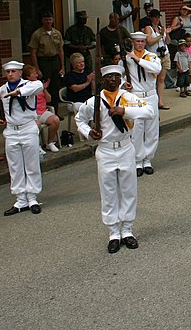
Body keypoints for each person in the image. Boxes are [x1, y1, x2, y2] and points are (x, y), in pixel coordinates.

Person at [75, 65, 155, 253]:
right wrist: (88, 132)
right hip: (105, 150)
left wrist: (124, 111)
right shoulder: (93, 101)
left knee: (128, 190)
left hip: (126, 147)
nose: (113, 80)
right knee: (108, 192)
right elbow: (80, 120)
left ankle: (127, 230)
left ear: (120, 80)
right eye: (109, 77)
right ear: (103, 80)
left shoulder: (128, 98)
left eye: (116, 77)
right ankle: (113, 232)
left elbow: (149, 111)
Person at [0, 60, 44, 216]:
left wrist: (18, 92)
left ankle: (33, 197)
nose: (10, 74)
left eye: (13, 71)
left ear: (20, 73)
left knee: (31, 165)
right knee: (15, 167)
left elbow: (38, 86)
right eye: (8, 72)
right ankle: (21, 199)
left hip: (27, 128)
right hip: (12, 131)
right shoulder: (2, 90)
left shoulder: (29, 85)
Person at [123, 31, 162, 176]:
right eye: (137, 42)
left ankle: (148, 159)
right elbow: (120, 76)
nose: (139, 44)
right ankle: (138, 160)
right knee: (137, 130)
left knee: (152, 129)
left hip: (150, 95)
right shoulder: (126, 59)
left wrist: (138, 60)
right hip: (135, 97)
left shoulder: (151, 57)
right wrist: (124, 84)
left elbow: (156, 69)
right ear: (133, 42)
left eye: (142, 42)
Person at [27, 10, 64, 109]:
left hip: (55, 60)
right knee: (45, 86)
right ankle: (45, 109)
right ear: (42, 20)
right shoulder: (37, 34)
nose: (48, 21)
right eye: (46, 19)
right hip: (43, 61)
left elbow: (60, 50)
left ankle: (55, 110)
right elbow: (33, 52)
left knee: (55, 87)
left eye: (50, 19)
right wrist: (37, 69)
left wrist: (62, 66)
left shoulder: (57, 33)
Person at [25, 65, 60, 154]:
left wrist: (44, 89)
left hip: (42, 111)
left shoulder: (39, 85)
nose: (36, 75)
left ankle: (50, 143)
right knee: (37, 125)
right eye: (34, 74)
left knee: (55, 120)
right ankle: (37, 146)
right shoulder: (25, 87)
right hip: (31, 114)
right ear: (28, 77)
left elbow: (49, 100)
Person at [144, 8, 174, 110]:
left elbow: (168, 42)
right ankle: (152, 100)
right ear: (151, 18)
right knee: (153, 79)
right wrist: (160, 35)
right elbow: (149, 42)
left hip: (164, 55)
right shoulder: (148, 28)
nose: (157, 19)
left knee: (161, 79)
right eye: (155, 17)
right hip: (154, 57)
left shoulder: (162, 28)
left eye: (158, 17)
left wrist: (167, 33)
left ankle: (160, 101)